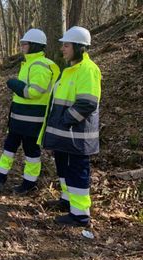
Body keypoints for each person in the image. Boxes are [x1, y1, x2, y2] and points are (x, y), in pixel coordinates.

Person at [42, 26, 101, 227]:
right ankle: (67, 202)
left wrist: (65, 120)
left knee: (77, 171)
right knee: (63, 169)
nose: (62, 49)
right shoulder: (69, 70)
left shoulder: (88, 69)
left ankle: (80, 215)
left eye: (66, 45)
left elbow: (87, 103)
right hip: (64, 135)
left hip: (77, 135)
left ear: (78, 47)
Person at [0, 29, 60, 195]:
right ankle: (0, 179)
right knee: (8, 149)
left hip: (33, 121)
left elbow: (34, 92)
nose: (22, 46)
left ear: (34, 45)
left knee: (31, 153)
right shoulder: (29, 63)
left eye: (25, 44)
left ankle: (29, 184)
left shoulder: (40, 65)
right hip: (18, 119)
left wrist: (14, 84)